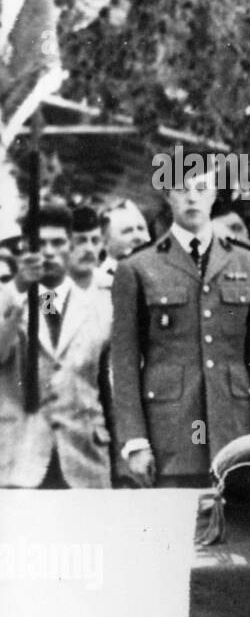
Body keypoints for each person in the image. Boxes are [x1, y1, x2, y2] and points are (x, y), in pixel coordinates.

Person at [112, 171, 250, 488]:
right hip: (170, 435)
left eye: (201, 188)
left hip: (235, 433)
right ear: (167, 196)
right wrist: (134, 440)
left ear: (215, 194)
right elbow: (125, 363)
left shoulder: (249, 265)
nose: (192, 197)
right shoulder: (137, 268)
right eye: (181, 189)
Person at [0, 204, 113, 488]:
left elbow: (112, 387)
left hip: (84, 458)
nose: (49, 251)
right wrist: (19, 287)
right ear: (25, 247)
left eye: (58, 242)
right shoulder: (9, 298)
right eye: (39, 243)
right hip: (20, 458)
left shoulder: (100, 303)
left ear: (70, 245)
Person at [97, 199, 151, 289]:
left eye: (141, 228)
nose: (138, 236)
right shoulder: (102, 283)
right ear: (104, 241)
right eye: (127, 231)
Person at [68, 205, 107, 292]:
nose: (90, 249)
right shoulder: (47, 291)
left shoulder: (113, 286)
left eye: (95, 240)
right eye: (80, 241)